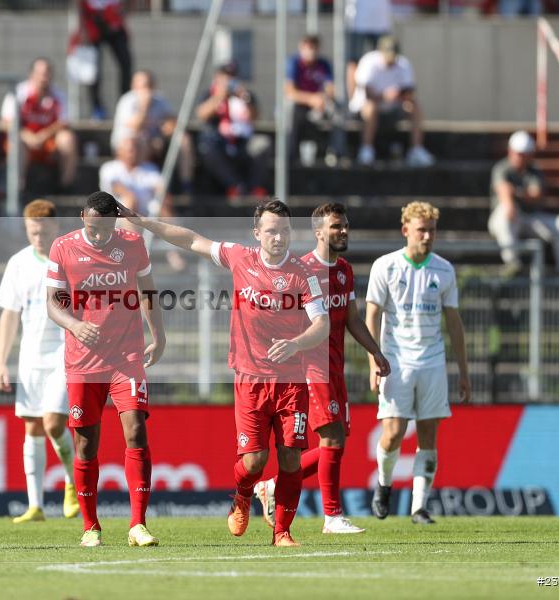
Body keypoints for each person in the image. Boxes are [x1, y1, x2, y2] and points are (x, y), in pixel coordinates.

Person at [117, 199, 330, 547]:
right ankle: (244, 493)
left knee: (291, 456)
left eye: (286, 231)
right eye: (272, 231)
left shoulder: (303, 273)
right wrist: (145, 223)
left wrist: (297, 343)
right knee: (255, 460)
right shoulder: (239, 257)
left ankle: (282, 533)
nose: (279, 237)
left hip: (291, 381)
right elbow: (191, 240)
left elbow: (322, 323)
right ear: (257, 233)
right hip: (250, 379)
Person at [253, 203, 391, 534]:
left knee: (337, 442)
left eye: (345, 226)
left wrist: (375, 352)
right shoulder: (303, 271)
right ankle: (332, 516)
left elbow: (353, 319)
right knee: (331, 438)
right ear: (318, 232)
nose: (343, 231)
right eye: (335, 227)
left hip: (336, 367)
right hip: (310, 367)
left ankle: (272, 486)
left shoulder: (344, 270)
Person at [45, 191, 165, 548]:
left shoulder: (132, 244)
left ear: (116, 219)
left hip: (125, 357)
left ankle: (138, 525)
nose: (98, 234)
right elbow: (53, 303)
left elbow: (148, 291)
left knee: (136, 431)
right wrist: (74, 325)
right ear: (83, 216)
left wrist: (158, 336)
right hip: (82, 360)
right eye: (93, 227)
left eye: (106, 227)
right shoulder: (62, 247)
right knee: (85, 443)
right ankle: (90, 526)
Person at [365, 201, 471, 525]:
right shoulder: (386, 266)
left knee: (428, 433)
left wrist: (463, 371)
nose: (427, 236)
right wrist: (373, 360)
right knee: (394, 432)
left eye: (431, 230)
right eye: (421, 230)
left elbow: (454, 322)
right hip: (395, 359)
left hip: (432, 360)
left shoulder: (444, 270)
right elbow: (372, 314)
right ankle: (384, 485)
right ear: (406, 230)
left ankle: (419, 507)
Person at [0, 199, 79, 524]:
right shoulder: (18, 263)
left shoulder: (71, 259)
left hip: (63, 351)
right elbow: (9, 314)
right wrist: (1, 361)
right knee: (32, 425)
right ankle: (36, 505)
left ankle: (72, 482)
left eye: (43, 232)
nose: (38, 238)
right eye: (33, 232)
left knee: (54, 422)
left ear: (55, 228)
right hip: (30, 355)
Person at [488, 130, 559, 276]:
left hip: (530, 219)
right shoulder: (501, 168)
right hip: (505, 220)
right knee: (506, 212)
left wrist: (515, 192)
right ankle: (513, 264)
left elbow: (535, 194)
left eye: (524, 154)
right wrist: (511, 200)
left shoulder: (534, 171)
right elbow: (503, 190)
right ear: (510, 151)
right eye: (518, 153)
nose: (520, 158)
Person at [99, 135, 185, 271]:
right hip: (118, 216)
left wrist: (163, 200)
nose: (134, 152)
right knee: (128, 204)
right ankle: (136, 254)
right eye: (130, 149)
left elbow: (161, 191)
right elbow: (119, 189)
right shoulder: (109, 168)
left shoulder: (149, 168)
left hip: (145, 214)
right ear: (119, 151)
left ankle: (174, 253)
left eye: (136, 149)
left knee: (164, 209)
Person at [349, 36, 434, 168]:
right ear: (380, 52)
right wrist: (385, 96)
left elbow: (410, 92)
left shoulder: (403, 63)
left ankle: (416, 150)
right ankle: (366, 149)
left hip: (393, 108)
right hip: (365, 109)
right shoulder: (369, 62)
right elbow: (368, 94)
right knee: (370, 107)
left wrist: (398, 95)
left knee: (415, 106)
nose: (391, 60)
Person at [1, 58, 78, 192]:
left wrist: (43, 136)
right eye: (41, 73)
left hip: (48, 143)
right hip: (25, 141)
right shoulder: (18, 93)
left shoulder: (58, 95)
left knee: (68, 138)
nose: (44, 77)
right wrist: (27, 136)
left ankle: (67, 185)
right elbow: (7, 122)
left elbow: (64, 122)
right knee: (15, 143)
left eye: (47, 73)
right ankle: (16, 188)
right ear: (31, 74)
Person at [195, 63, 271, 200]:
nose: (229, 80)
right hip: (219, 141)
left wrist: (244, 97)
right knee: (207, 149)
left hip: (243, 141)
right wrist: (219, 97)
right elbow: (201, 114)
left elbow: (255, 116)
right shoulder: (210, 93)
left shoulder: (245, 94)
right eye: (225, 77)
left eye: (232, 77)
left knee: (262, 144)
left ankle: (255, 188)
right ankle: (236, 186)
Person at [111, 70, 195, 193]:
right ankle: (141, 186)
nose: (146, 90)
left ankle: (186, 184)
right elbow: (135, 127)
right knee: (139, 142)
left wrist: (168, 126)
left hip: (153, 143)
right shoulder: (127, 101)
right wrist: (144, 107)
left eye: (149, 86)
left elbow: (174, 121)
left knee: (183, 139)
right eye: (142, 86)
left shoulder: (159, 101)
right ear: (134, 86)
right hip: (127, 145)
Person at [285, 35, 345, 166]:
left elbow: (330, 88)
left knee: (337, 110)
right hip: (300, 105)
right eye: (308, 47)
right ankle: (289, 155)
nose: (311, 51)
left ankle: (336, 153)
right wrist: (310, 99)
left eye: (314, 47)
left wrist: (322, 98)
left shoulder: (323, 64)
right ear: (301, 47)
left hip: (319, 105)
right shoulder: (294, 63)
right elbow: (290, 92)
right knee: (289, 109)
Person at [78, 0, 132, 120]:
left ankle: (125, 104)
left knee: (126, 63)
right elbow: (80, 6)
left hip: (114, 22)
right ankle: (96, 107)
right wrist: (83, 29)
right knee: (93, 70)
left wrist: (121, 15)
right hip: (93, 22)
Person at [345, 0, 392, 101]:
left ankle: (381, 104)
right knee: (353, 63)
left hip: (381, 21)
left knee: (384, 62)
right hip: (357, 23)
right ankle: (352, 105)